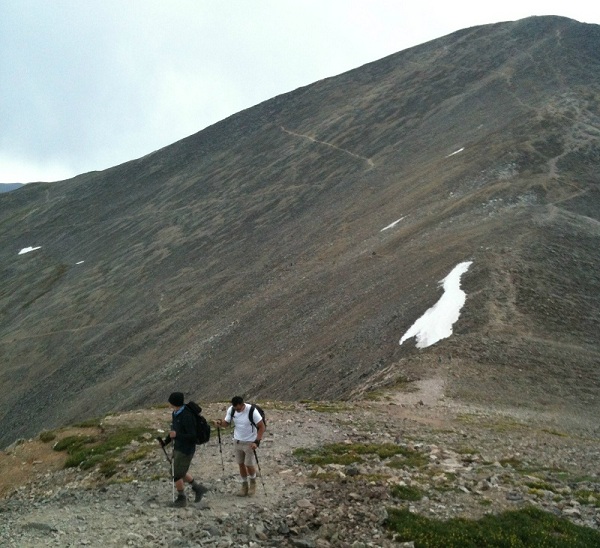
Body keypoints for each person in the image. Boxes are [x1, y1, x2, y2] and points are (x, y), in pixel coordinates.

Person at [159, 392, 207, 507]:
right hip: (179, 447)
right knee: (179, 470)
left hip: (186, 449)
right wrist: (166, 441)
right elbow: (174, 431)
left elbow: (192, 436)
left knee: (176, 473)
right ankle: (198, 488)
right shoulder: (176, 413)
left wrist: (176, 436)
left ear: (174, 402)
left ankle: (182, 499)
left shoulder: (186, 416)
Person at [214, 396, 265, 496]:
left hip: (250, 441)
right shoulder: (232, 410)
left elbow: (261, 426)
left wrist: (257, 441)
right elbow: (226, 423)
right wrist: (220, 423)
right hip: (237, 441)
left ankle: (253, 483)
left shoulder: (252, 411)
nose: (236, 410)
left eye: (238, 408)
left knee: (249, 464)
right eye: (235, 408)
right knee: (241, 463)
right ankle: (244, 485)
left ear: (243, 405)